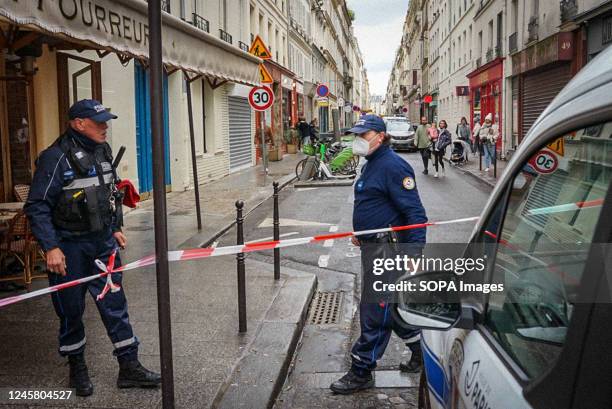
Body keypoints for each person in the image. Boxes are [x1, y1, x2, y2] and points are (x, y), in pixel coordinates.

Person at [24, 99, 161, 397]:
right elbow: (37, 206)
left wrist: (116, 227)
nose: (105, 127)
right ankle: (77, 369)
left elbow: (112, 192)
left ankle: (129, 367)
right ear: (78, 123)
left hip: (102, 245)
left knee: (115, 305)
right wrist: (51, 248)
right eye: (99, 122)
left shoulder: (103, 151)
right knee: (71, 310)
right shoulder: (55, 157)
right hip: (69, 248)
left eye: (105, 121)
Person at [330, 115, 427, 394]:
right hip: (374, 245)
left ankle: (362, 370)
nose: (358, 140)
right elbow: (374, 203)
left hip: (388, 249)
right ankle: (420, 348)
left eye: (364, 134)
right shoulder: (372, 164)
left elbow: (415, 213)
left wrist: (414, 250)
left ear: (381, 136)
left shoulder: (393, 166)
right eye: (356, 135)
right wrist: (362, 233)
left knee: (376, 308)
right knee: (390, 305)